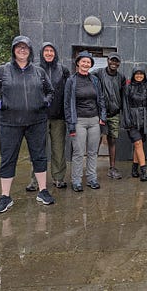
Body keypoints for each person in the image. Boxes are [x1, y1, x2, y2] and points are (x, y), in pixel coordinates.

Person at [0, 35, 55, 213]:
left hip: (36, 122)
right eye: (19, 47)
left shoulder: (39, 72)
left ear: (30, 51)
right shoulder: (1, 71)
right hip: (10, 123)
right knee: (8, 158)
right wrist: (1, 104)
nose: (22, 50)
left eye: (26, 47)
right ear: (14, 50)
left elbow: (50, 91)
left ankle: (43, 191)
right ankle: (5, 196)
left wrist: (45, 102)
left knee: (39, 156)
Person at [26, 42, 70, 191]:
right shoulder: (35, 70)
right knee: (38, 149)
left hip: (58, 117)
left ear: (55, 53)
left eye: (52, 50)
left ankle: (58, 178)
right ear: (41, 53)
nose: (49, 53)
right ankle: (35, 180)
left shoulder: (63, 70)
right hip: (39, 117)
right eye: (46, 51)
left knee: (58, 149)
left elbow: (68, 93)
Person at [64, 51, 106, 192]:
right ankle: (76, 180)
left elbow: (100, 99)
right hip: (79, 121)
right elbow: (67, 104)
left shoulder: (94, 80)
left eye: (88, 62)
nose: (86, 64)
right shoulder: (71, 81)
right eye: (83, 61)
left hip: (94, 120)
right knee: (78, 152)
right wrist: (70, 123)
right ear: (78, 63)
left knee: (93, 152)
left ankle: (91, 178)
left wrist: (102, 117)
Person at [93, 53, 125, 179]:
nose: (114, 63)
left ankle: (112, 168)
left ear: (119, 63)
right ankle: (91, 169)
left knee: (113, 141)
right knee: (96, 141)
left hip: (114, 114)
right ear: (107, 60)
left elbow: (122, 94)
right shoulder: (98, 73)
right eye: (112, 60)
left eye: (116, 61)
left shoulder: (121, 77)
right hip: (100, 113)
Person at [122, 66, 147, 181]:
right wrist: (127, 120)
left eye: (141, 74)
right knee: (138, 143)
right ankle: (144, 170)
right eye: (137, 74)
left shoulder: (146, 87)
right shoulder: (127, 87)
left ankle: (134, 168)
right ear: (133, 75)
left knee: (138, 144)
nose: (139, 76)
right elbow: (125, 104)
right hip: (132, 119)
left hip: (143, 120)